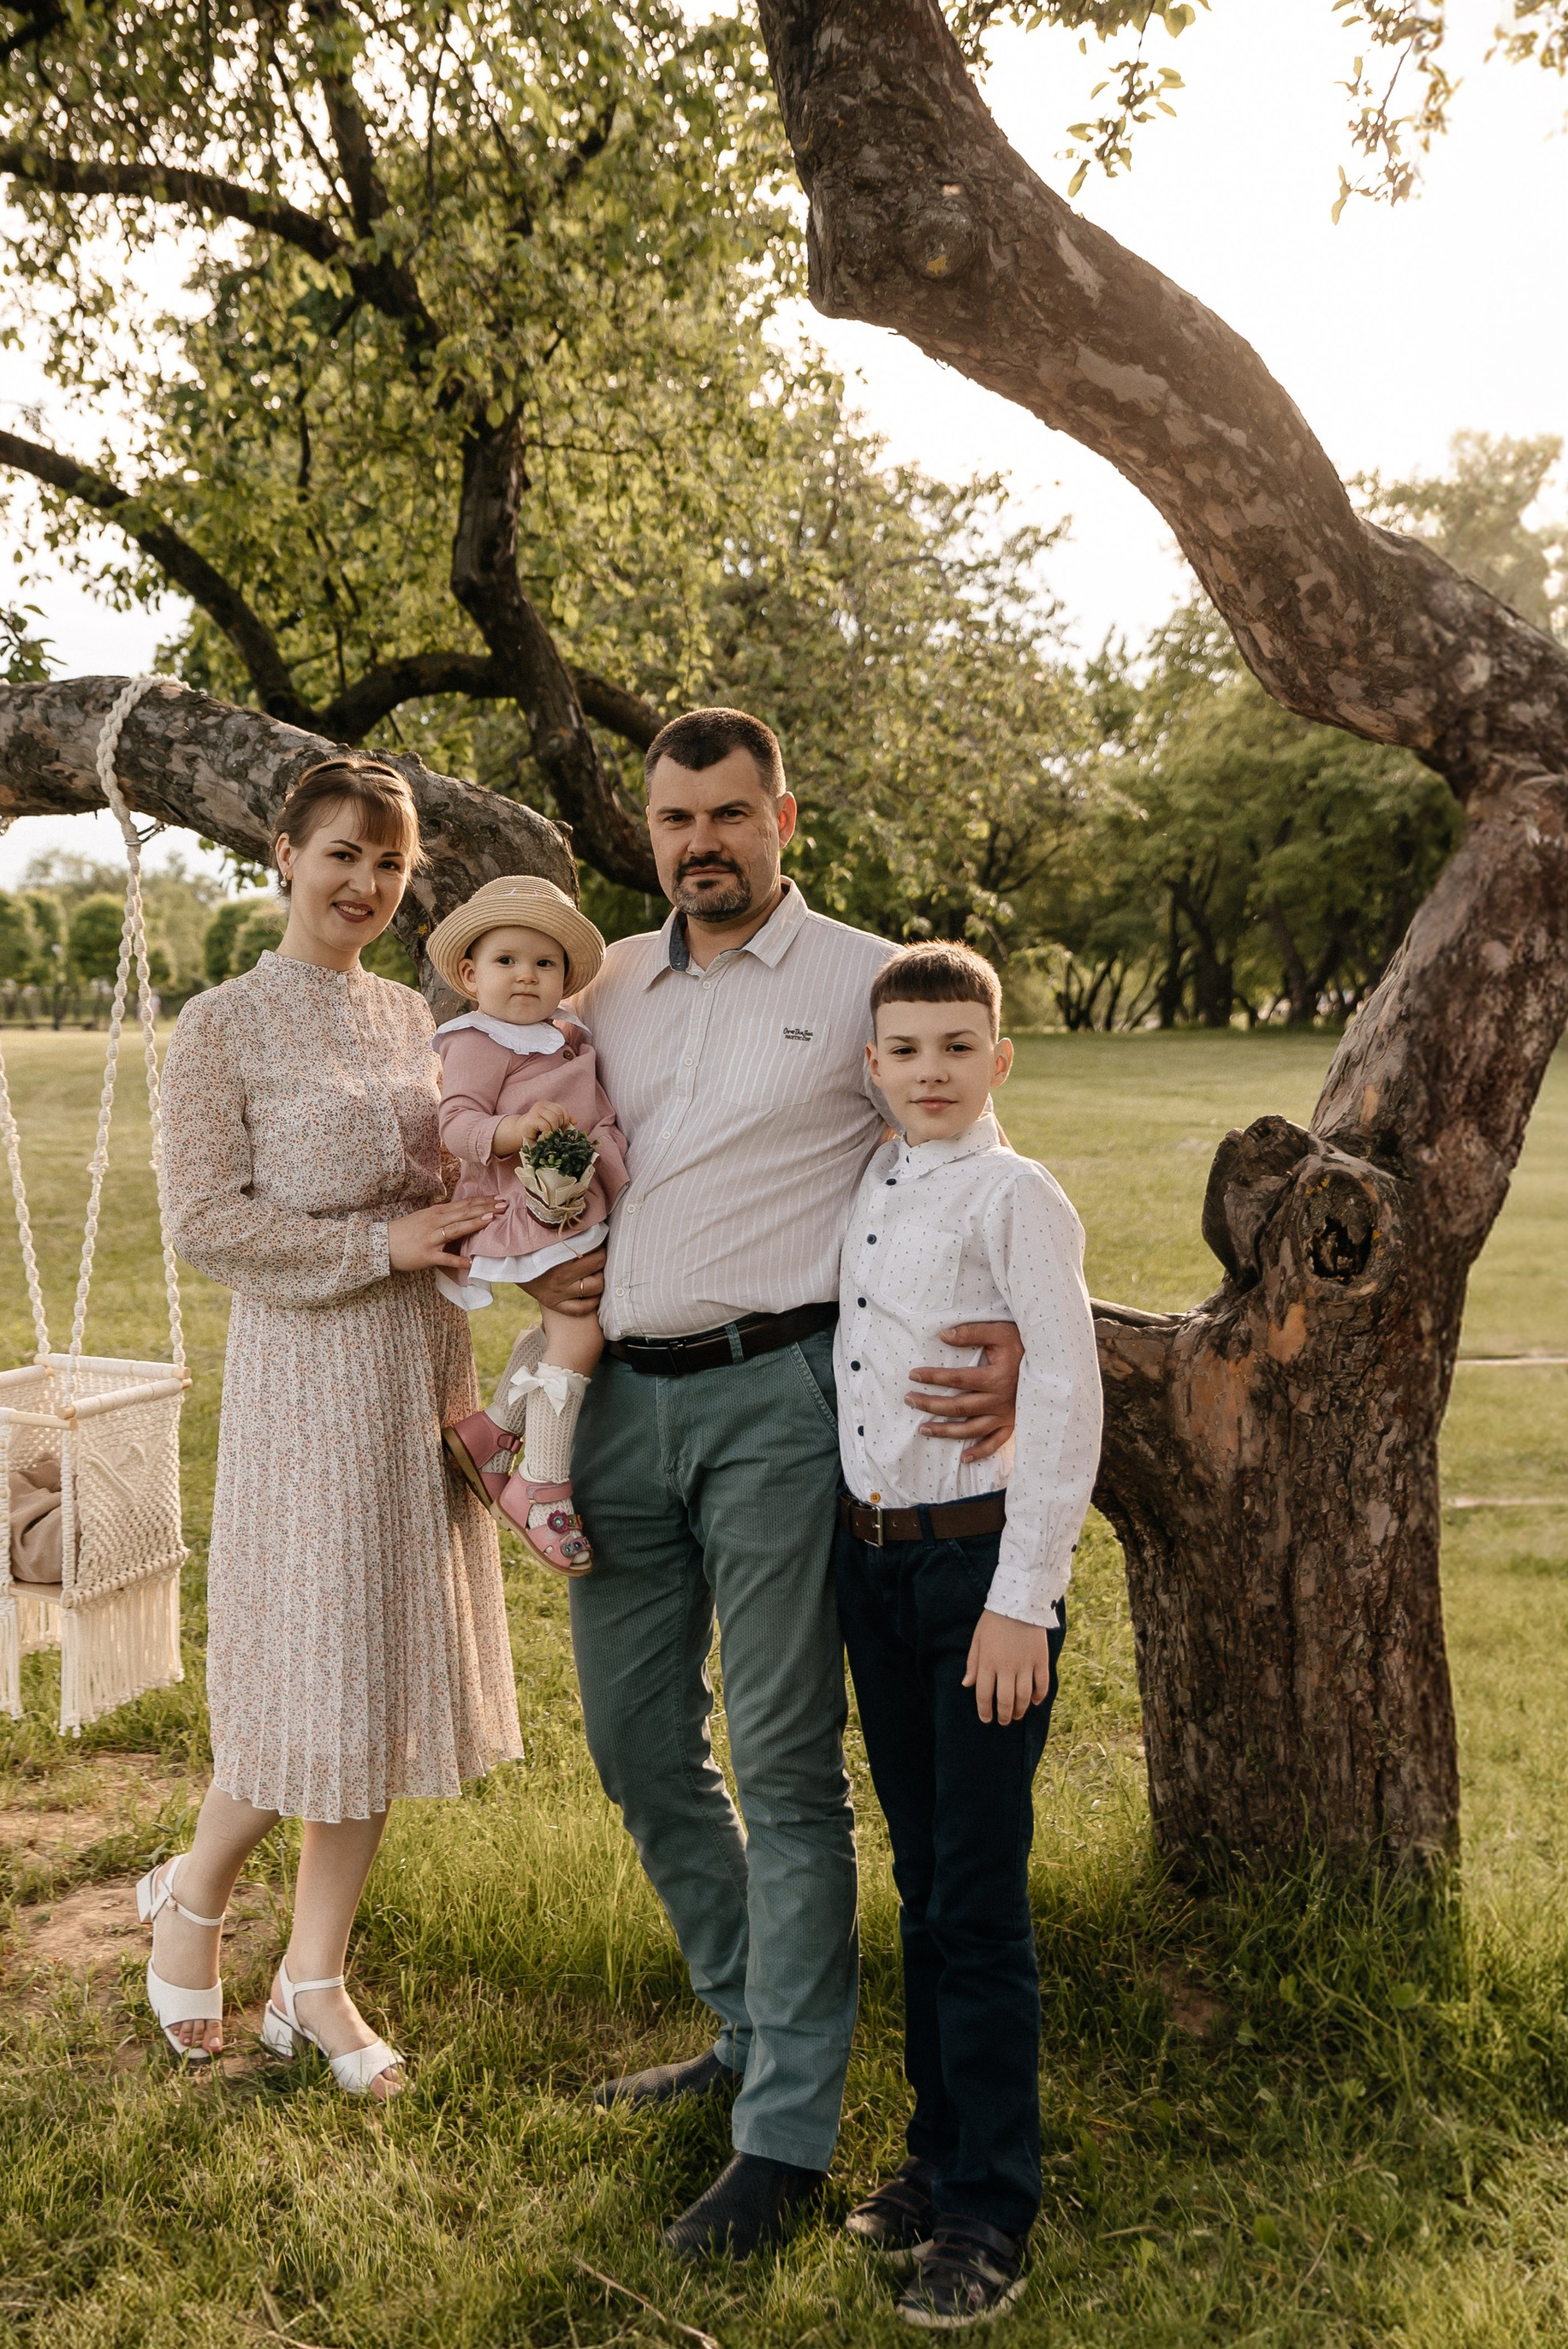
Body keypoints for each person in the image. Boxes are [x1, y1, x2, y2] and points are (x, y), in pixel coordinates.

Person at [543, 709, 1023, 2259]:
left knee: (785, 1761)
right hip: (619, 1400)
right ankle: (747, 2016)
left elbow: (970, 1169)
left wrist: (1011, 1337)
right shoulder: (606, 983)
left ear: (784, 819)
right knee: (631, 1739)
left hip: (780, 1399)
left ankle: (787, 2137)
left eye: (731, 815)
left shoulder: (865, 984)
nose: (703, 844)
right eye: (677, 819)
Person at [140, 754, 514, 2100]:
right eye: (344, 853)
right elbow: (204, 1223)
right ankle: (192, 1903)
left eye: (392, 863)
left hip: (419, 1370)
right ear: (285, 855)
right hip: (307, 1381)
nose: (367, 883)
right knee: (311, 1670)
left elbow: (464, 1170)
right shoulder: (221, 1027)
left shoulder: (420, 1020)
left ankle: (314, 1980)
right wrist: (381, 1240)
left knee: (379, 1678)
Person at [833, 942, 1102, 2332]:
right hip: (871, 1572)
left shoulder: (1017, 1193)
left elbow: (1062, 1384)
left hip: (975, 1580)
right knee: (925, 1878)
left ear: (996, 1060)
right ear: (870, 1068)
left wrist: (1023, 1594)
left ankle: (993, 2203)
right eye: (904, 1049)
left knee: (981, 1898)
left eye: (955, 1046)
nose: (929, 1071)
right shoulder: (873, 1178)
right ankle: (935, 2158)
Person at [425, 877, 629, 1579]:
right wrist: (512, 1130)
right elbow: (453, 1122)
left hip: (564, 1200)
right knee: (581, 1331)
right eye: (507, 960)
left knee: (559, 1331)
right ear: (468, 973)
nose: (525, 975)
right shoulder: (478, 1039)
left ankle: (488, 1434)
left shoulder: (562, 1035)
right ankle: (542, 1487)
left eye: (544, 964)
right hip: (525, 1206)